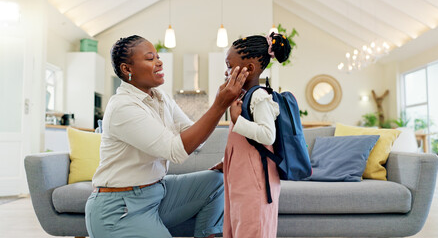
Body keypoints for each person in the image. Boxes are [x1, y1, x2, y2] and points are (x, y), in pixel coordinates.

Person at [85, 35, 248, 238]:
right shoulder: (123, 106)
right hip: (119, 208)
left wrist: (225, 109)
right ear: (127, 69)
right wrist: (219, 104)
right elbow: (176, 151)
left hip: (158, 194)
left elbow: (197, 140)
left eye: (158, 57)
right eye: (150, 58)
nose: (159, 62)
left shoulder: (160, 97)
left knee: (218, 181)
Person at [212, 32, 291, 238]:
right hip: (241, 175)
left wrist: (238, 120)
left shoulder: (259, 97)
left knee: (252, 226)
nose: (226, 71)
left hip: (256, 179)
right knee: (239, 222)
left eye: (229, 65)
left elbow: (267, 136)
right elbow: (243, 143)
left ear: (249, 69)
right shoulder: (243, 96)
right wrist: (225, 161)